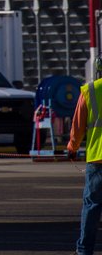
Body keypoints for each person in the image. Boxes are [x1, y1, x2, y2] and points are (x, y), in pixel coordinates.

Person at [70, 73, 102, 254]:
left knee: (92, 206)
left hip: (98, 158)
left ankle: (84, 250)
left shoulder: (90, 90)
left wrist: (72, 146)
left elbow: (78, 124)